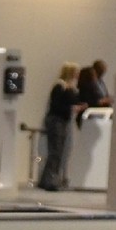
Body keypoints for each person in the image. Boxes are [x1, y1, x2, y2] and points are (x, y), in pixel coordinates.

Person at [40, 63, 79, 191]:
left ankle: (47, 179)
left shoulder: (69, 87)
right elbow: (56, 105)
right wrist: (71, 108)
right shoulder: (59, 86)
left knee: (58, 152)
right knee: (55, 152)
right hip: (56, 121)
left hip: (62, 121)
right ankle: (50, 180)